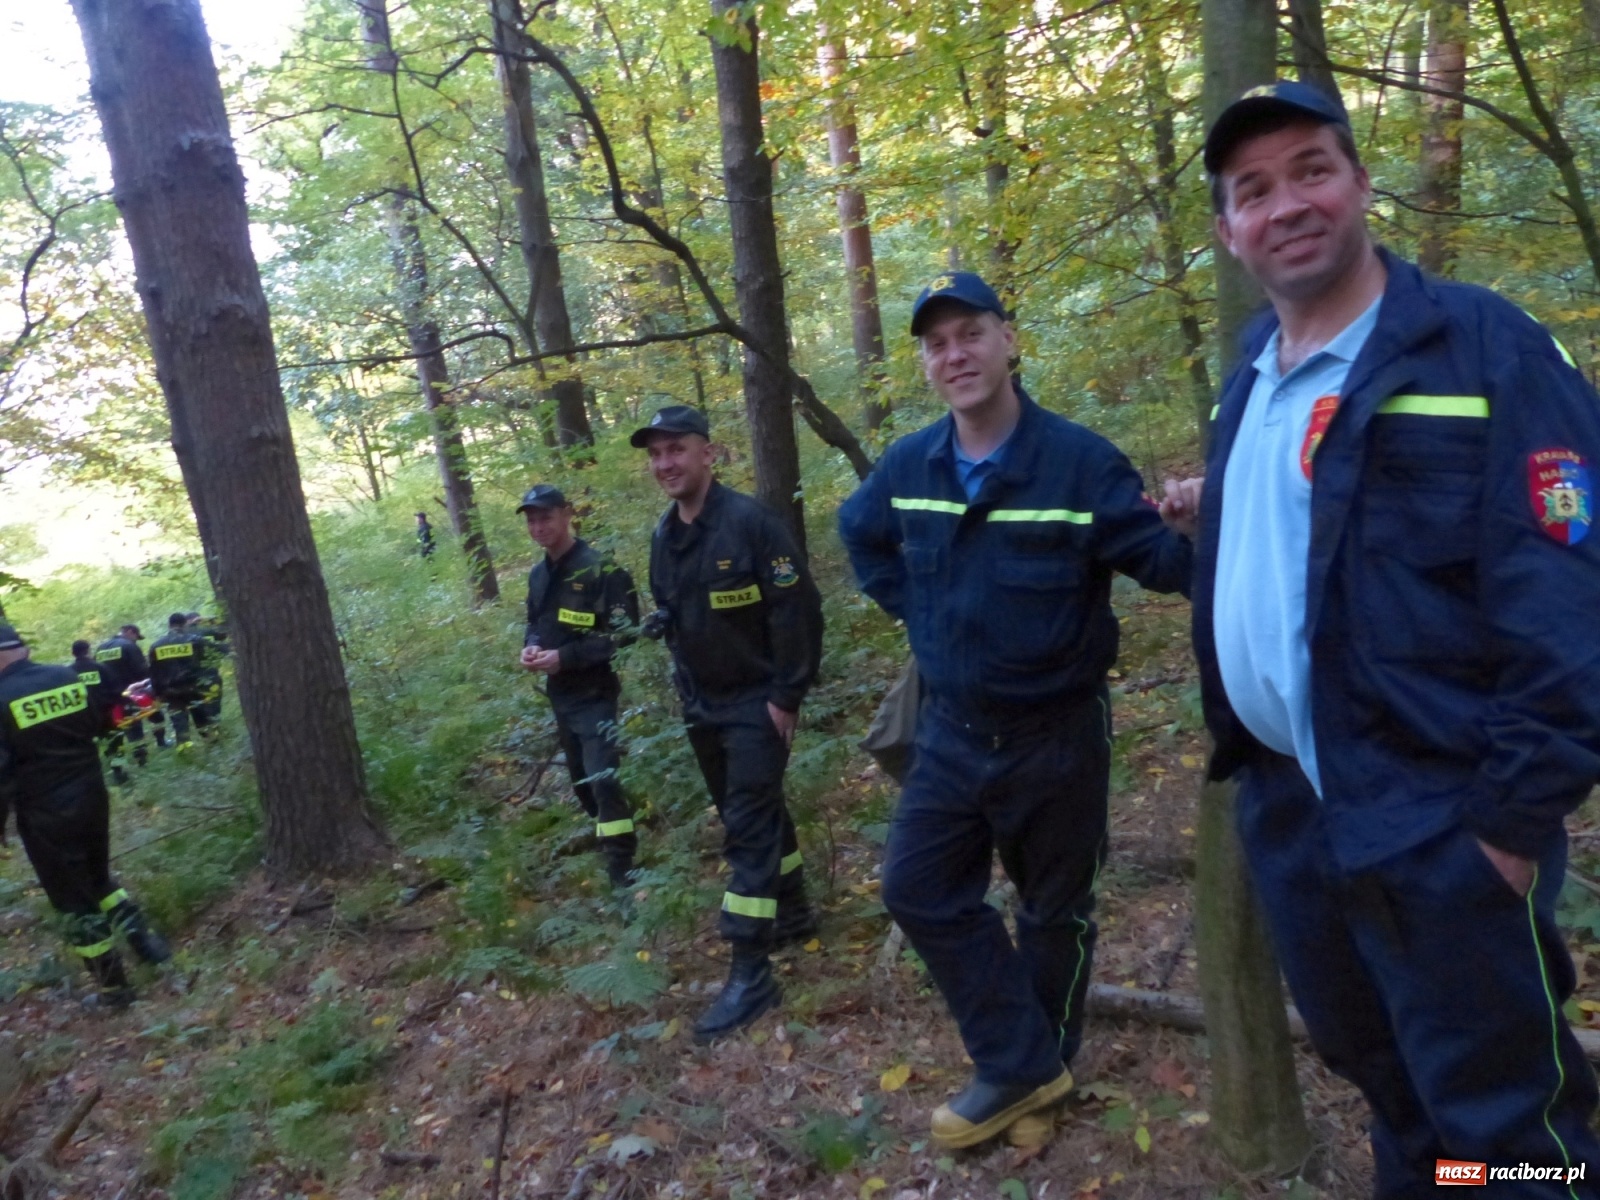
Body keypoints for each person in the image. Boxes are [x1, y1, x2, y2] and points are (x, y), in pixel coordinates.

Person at [1192, 81, 1600, 1196]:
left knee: (1509, 1133)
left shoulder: (1482, 349)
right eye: (1253, 190)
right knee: (1393, 1092)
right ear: (1229, 230)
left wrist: (1509, 823)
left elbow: (1568, 592)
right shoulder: (1250, 380)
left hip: (1440, 820)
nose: (1287, 205)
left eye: (1311, 169)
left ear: (1361, 184)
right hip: (1294, 814)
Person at [837, 271, 1201, 1150]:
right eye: (936, 343)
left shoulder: (1079, 462)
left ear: (1008, 341)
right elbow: (860, 532)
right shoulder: (910, 465)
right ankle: (1025, 1063)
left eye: (969, 334)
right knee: (918, 889)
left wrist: (1197, 521)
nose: (953, 354)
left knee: (1053, 913)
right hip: (953, 734)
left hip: (1058, 738)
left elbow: (1165, 566)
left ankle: (1039, 1080)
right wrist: (919, 616)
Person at [633, 405, 824, 1042]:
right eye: (656, 454)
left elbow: (798, 610)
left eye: (677, 450)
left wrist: (787, 696)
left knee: (746, 828)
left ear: (708, 454)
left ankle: (751, 970)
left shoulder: (751, 525)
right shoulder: (665, 536)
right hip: (702, 705)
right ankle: (794, 912)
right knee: (755, 811)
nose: (666, 464)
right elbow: (669, 606)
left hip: (756, 703)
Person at [0, 624, 171, 1007]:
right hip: (93, 795)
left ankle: (114, 990)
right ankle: (148, 946)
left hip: (46, 813)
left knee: (72, 900)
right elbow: (100, 724)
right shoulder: (66, 676)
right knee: (98, 878)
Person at [516, 484, 642, 888]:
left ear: (567, 515)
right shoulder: (539, 574)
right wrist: (532, 648)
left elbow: (625, 633)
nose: (538, 527)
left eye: (546, 517)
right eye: (532, 520)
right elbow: (535, 622)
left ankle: (624, 874)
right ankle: (610, 839)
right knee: (584, 785)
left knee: (602, 780)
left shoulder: (602, 570)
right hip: (561, 697)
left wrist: (565, 657)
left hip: (595, 694)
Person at [96, 625, 159, 763]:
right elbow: (142, 670)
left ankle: (118, 760)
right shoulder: (129, 646)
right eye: (136, 637)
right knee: (138, 721)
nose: (136, 640)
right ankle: (142, 756)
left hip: (109, 695)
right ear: (130, 632)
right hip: (131, 691)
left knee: (118, 725)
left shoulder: (101, 648)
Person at [70, 640, 128, 786]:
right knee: (115, 742)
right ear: (88, 651)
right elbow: (116, 690)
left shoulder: (69, 673)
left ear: (73, 654)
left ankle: (92, 777)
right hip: (105, 714)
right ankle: (118, 772)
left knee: (88, 746)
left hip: (82, 717)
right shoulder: (101, 668)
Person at [148, 612, 212, 745]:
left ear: (169, 625)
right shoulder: (195, 640)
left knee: (180, 725)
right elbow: (207, 662)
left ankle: (185, 751)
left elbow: (154, 673)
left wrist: (157, 694)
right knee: (203, 720)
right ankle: (213, 746)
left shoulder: (156, 646)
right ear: (184, 624)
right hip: (194, 688)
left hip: (171, 692)